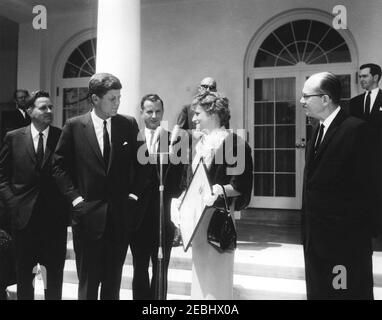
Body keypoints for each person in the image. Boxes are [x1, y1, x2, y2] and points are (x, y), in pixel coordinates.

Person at [52, 73, 144, 300]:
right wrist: (75, 200)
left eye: (119, 98)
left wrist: (132, 197)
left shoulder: (128, 124)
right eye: (112, 98)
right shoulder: (74, 126)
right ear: (95, 99)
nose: (117, 103)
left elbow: (143, 164)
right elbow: (58, 167)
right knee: (88, 283)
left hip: (119, 217)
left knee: (113, 283)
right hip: (86, 218)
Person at [301, 72, 375, 299]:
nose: (301, 101)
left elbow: (368, 190)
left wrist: (348, 237)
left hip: (343, 244)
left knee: (343, 294)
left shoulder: (356, 130)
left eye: (306, 96)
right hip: (315, 239)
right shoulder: (317, 131)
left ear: (325, 99)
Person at [177, 91, 253, 299]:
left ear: (212, 113)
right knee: (200, 278)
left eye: (197, 114)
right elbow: (189, 180)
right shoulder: (197, 145)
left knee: (217, 282)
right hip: (196, 221)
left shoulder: (235, 144)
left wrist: (217, 191)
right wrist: (183, 198)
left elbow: (240, 186)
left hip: (218, 219)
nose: (193, 119)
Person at [0, 90, 68, 300]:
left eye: (50, 107)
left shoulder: (62, 136)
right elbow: (2, 176)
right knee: (25, 278)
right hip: (24, 222)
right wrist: (13, 203)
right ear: (30, 111)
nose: (49, 111)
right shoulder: (13, 138)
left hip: (54, 221)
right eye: (43, 107)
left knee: (53, 279)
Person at [130, 94, 183, 300]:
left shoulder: (175, 140)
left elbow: (178, 181)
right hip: (138, 218)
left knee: (161, 269)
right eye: (149, 111)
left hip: (163, 217)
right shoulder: (133, 140)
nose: (154, 116)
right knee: (139, 268)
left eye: (158, 111)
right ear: (141, 112)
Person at [349, 63, 382, 235]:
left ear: (375, 77)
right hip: (360, 160)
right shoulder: (354, 103)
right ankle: (365, 229)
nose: (361, 79)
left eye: (365, 76)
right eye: (360, 76)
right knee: (363, 194)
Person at [170, 77, 223, 148]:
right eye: (205, 86)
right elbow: (178, 131)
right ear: (199, 88)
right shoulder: (187, 109)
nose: (208, 90)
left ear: (215, 90)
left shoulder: (220, 111)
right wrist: (193, 134)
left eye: (211, 87)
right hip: (192, 152)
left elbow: (224, 132)